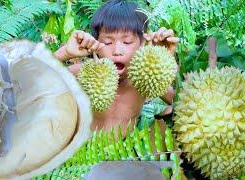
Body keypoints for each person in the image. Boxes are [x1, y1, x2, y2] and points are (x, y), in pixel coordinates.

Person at [54, 0, 179, 136]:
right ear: (95, 44)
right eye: (107, 42)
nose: (117, 50)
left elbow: (184, 102)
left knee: (170, 113)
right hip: (86, 151)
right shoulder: (82, 73)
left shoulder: (145, 80)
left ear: (142, 44)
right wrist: (63, 54)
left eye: (127, 42)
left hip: (127, 151)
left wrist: (165, 60)